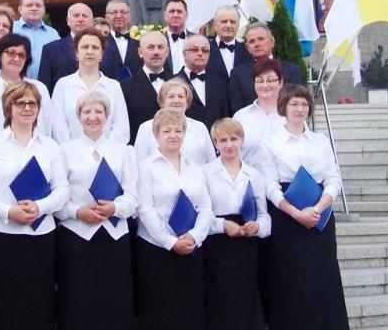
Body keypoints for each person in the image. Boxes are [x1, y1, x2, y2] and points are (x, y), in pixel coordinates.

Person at [0, 80, 69, 330]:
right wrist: (9, 212)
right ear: (9, 108)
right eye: (20, 103)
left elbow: (62, 189)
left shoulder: (50, 146)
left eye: (32, 103)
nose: (27, 108)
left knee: (37, 302)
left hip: (41, 236)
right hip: (1, 235)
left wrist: (40, 207)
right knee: (3, 301)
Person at [260, 84, 349, 330]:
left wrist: (318, 209)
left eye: (304, 104)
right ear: (283, 107)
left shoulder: (320, 141)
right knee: (290, 280)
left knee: (323, 278)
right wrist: (296, 213)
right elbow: (270, 185)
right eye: (294, 104)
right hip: (286, 218)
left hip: (320, 217)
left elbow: (333, 178)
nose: (299, 109)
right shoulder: (270, 143)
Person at [56, 91, 138, 330]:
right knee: (79, 300)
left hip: (115, 237)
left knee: (114, 299)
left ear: (107, 116)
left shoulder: (123, 151)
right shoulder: (64, 150)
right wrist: (77, 212)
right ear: (78, 116)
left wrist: (115, 208)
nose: (93, 117)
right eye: (87, 112)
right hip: (77, 236)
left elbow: (133, 197)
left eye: (99, 112)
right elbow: (59, 197)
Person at [136, 108, 213, 330]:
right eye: (167, 130)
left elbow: (205, 206)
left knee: (189, 308)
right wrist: (170, 242)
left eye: (178, 130)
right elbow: (145, 210)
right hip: (157, 248)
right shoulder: (145, 167)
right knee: (161, 309)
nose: (173, 135)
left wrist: (195, 236)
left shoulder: (195, 168)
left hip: (191, 247)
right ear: (156, 135)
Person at [203, 118, 270, 330]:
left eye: (233, 139)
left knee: (245, 296)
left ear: (242, 141)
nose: (229, 144)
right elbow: (201, 214)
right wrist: (222, 225)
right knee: (220, 297)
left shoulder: (254, 175)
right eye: (223, 140)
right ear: (215, 143)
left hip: (246, 244)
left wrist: (257, 227)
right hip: (216, 244)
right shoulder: (205, 173)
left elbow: (264, 215)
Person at [51, 28, 130, 144]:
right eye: (84, 47)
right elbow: (58, 127)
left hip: (108, 153)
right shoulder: (63, 85)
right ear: (76, 52)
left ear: (102, 53)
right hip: (71, 153)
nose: (90, 51)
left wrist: (103, 151)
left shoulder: (114, 86)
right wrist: (73, 151)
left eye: (95, 47)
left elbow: (121, 128)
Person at [0, 33, 53, 141]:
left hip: (34, 149)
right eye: (11, 53)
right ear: (0, 54)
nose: (16, 58)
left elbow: (47, 127)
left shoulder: (39, 88)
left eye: (21, 55)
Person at [38, 2, 122, 94]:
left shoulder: (110, 50)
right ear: (68, 21)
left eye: (84, 16)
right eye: (76, 15)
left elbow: (116, 85)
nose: (80, 19)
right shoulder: (51, 50)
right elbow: (44, 90)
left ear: (92, 21)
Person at [134, 78, 216, 166]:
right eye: (171, 96)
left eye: (180, 96)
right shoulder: (146, 127)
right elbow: (139, 164)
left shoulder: (200, 127)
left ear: (187, 101)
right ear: (162, 101)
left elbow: (212, 163)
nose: (176, 101)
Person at [229, 22, 303, 114]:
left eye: (261, 39)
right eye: (252, 41)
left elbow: (296, 102)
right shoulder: (238, 74)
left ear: (272, 42)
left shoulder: (291, 70)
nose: (257, 44)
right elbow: (236, 107)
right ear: (248, 48)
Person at [232, 59, 286, 171]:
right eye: (260, 81)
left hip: (285, 179)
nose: (265, 85)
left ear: (281, 82)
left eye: (270, 80)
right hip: (249, 179)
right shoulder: (240, 117)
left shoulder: (290, 116)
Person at [121, 30, 171, 143]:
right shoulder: (125, 87)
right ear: (140, 52)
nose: (156, 52)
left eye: (160, 47)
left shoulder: (179, 83)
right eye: (150, 47)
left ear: (167, 52)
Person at [176, 34, 229, 130]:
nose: (200, 53)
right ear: (184, 54)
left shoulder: (220, 83)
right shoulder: (173, 83)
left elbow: (225, 116)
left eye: (205, 50)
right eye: (195, 49)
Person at [12, 0, 60, 80]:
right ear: (20, 9)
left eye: (38, 5)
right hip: (15, 83)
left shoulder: (53, 34)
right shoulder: (10, 29)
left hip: (47, 84)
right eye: (29, 5)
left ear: (44, 9)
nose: (34, 8)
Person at [206, 5, 252, 81]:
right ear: (215, 25)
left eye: (232, 22)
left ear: (238, 26)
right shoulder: (205, 50)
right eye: (224, 21)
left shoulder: (248, 51)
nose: (228, 25)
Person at [106, 0, 143, 73]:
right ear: (107, 18)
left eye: (123, 12)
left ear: (129, 17)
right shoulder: (100, 44)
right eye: (114, 12)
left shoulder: (140, 45)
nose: (119, 16)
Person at [163, 0, 192, 74]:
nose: (175, 15)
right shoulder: (157, 42)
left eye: (179, 11)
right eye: (172, 11)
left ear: (186, 15)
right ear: (165, 15)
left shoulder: (198, 40)